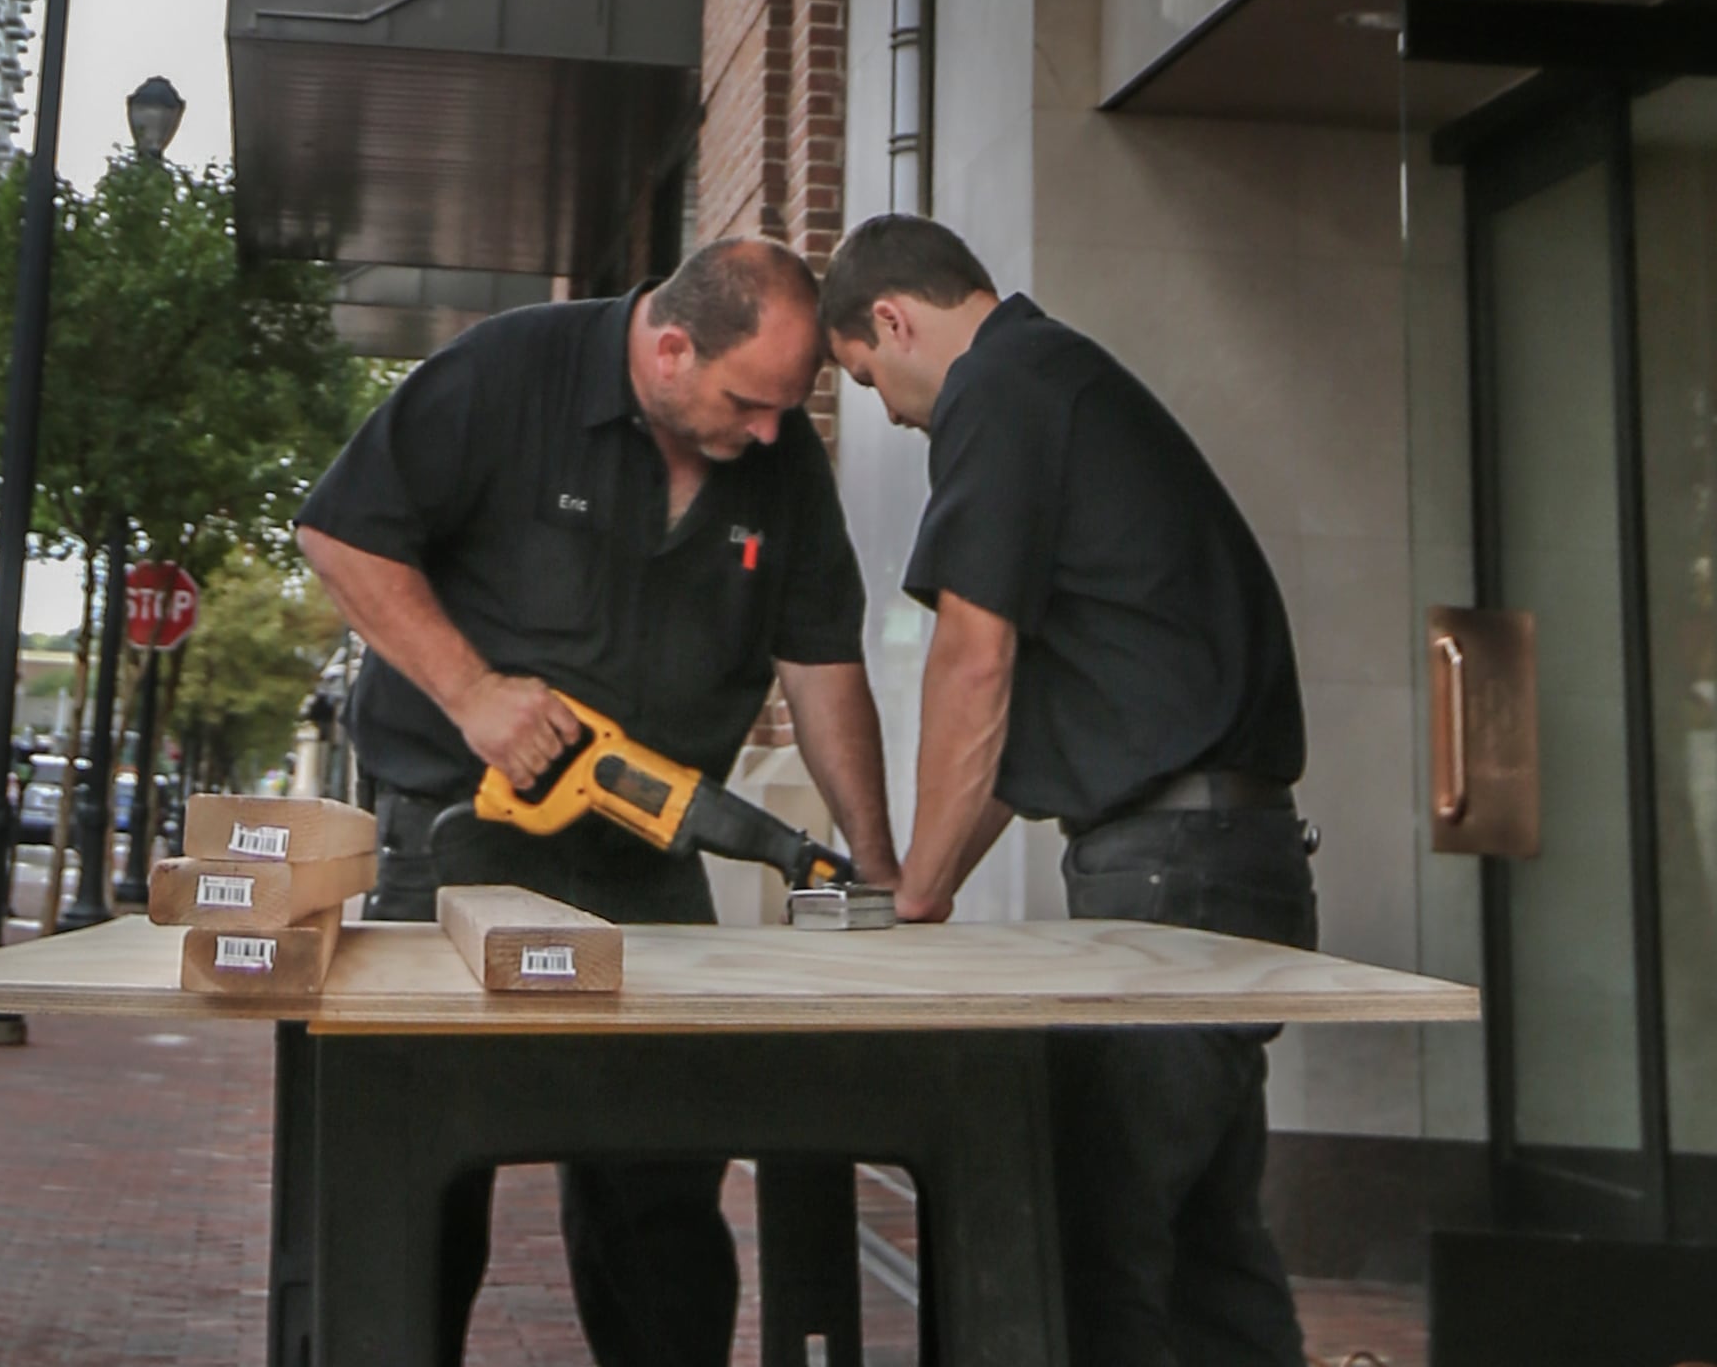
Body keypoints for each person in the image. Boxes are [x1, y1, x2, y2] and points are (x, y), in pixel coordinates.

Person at [296, 236, 901, 1367]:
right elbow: (340, 528)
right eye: (749, 402)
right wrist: (472, 692)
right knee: (422, 1182)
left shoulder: (779, 462)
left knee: (665, 1189)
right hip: (457, 843)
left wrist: (873, 860)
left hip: (649, 854)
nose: (770, 432)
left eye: (787, 409)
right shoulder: (505, 374)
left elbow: (820, 660)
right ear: (670, 348)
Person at [820, 212, 1314, 1367]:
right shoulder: (1065, 387)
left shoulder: (1000, 390)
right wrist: (918, 885)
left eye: (865, 376)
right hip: (1228, 858)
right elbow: (1012, 724)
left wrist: (921, 897)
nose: (888, 411)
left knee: (1091, 1250)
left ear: (894, 319)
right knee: (1205, 1247)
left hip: (1170, 877)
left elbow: (973, 660)